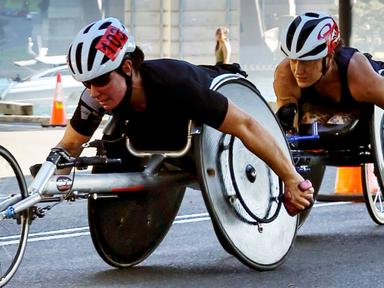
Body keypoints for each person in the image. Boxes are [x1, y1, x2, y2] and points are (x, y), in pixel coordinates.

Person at [56, 17, 313, 216]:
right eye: (86, 83)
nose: (93, 92)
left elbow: (245, 125)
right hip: (159, 133)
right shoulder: (95, 96)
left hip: (213, 92)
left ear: (127, 68)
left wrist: (290, 178)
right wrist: (47, 184)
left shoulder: (177, 86)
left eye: (100, 80)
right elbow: (69, 145)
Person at [274, 11, 384, 133]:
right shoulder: (285, 75)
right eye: (293, 60)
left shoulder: (359, 76)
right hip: (332, 121)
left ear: (329, 58)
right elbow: (287, 134)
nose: (298, 70)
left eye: (307, 61)